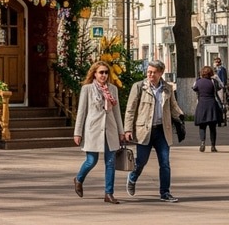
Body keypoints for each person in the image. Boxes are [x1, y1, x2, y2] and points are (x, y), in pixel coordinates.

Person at [123, 59, 184, 203]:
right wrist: (127, 129)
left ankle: (165, 193)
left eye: (154, 72)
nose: (150, 74)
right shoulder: (139, 87)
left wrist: (181, 120)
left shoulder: (167, 88)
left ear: (161, 73)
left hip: (162, 131)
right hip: (145, 130)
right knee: (141, 161)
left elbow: (173, 107)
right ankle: (132, 178)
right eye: (149, 71)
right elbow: (130, 110)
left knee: (165, 163)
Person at [73, 61, 124, 204]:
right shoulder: (87, 89)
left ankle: (109, 194)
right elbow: (82, 112)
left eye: (106, 72)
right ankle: (79, 179)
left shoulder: (112, 89)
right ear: (94, 73)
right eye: (101, 72)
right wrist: (78, 132)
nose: (104, 75)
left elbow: (116, 112)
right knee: (91, 160)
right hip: (93, 130)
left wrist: (121, 131)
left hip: (110, 129)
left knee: (110, 162)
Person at [193, 65, 223, 152]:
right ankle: (213, 146)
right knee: (212, 127)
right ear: (211, 73)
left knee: (202, 126)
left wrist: (198, 79)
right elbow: (221, 86)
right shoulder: (213, 81)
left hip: (202, 104)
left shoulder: (198, 81)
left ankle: (202, 142)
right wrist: (216, 78)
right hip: (212, 104)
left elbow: (194, 88)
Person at [213, 57, 227, 124]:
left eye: (215, 62)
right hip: (216, 88)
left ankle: (221, 118)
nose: (214, 64)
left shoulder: (222, 69)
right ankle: (219, 117)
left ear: (218, 63)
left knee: (221, 102)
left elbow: (223, 79)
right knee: (218, 102)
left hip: (220, 88)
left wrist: (223, 87)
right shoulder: (217, 69)